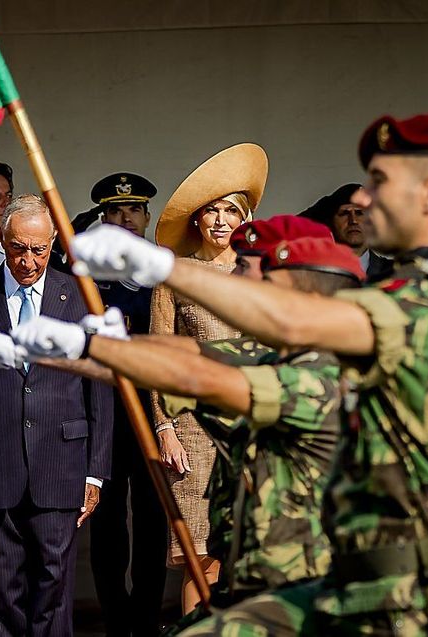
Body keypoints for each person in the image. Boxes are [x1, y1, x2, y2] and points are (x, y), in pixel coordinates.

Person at [68, 113, 428, 635]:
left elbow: (284, 324)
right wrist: (86, 345)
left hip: (416, 600)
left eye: (380, 184)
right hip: (358, 583)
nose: (366, 202)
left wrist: (163, 269)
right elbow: (208, 364)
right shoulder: (410, 292)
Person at [10, 231, 363, 608]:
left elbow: (196, 376)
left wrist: (93, 343)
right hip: (267, 569)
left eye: (254, 274)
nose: (238, 283)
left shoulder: (320, 374)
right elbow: (189, 353)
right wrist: (97, 346)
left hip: (311, 583)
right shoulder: (272, 352)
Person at [0, 194, 112, 636]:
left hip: (62, 463)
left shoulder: (79, 295)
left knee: (54, 592)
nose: (27, 260)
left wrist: (95, 473)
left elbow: (99, 390)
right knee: (1, 595)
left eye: (38, 249)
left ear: (53, 242)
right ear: (2, 241)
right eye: (18, 248)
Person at [149, 143, 268, 613]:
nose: (221, 220)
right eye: (212, 211)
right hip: (195, 432)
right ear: (197, 219)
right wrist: (165, 428)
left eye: (231, 211)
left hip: (255, 428)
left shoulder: (263, 275)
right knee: (203, 559)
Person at [82, 172, 168, 637]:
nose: (125, 218)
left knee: (154, 519)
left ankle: (148, 617)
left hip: (154, 412)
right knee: (109, 521)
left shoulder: (164, 268)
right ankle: (116, 617)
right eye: (115, 211)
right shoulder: (88, 272)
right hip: (105, 410)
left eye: (133, 209)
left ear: (147, 215)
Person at [299, 183, 393, 280]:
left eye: (359, 213)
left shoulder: (393, 272)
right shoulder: (314, 272)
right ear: (331, 223)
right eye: (344, 213)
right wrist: (326, 204)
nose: (353, 221)